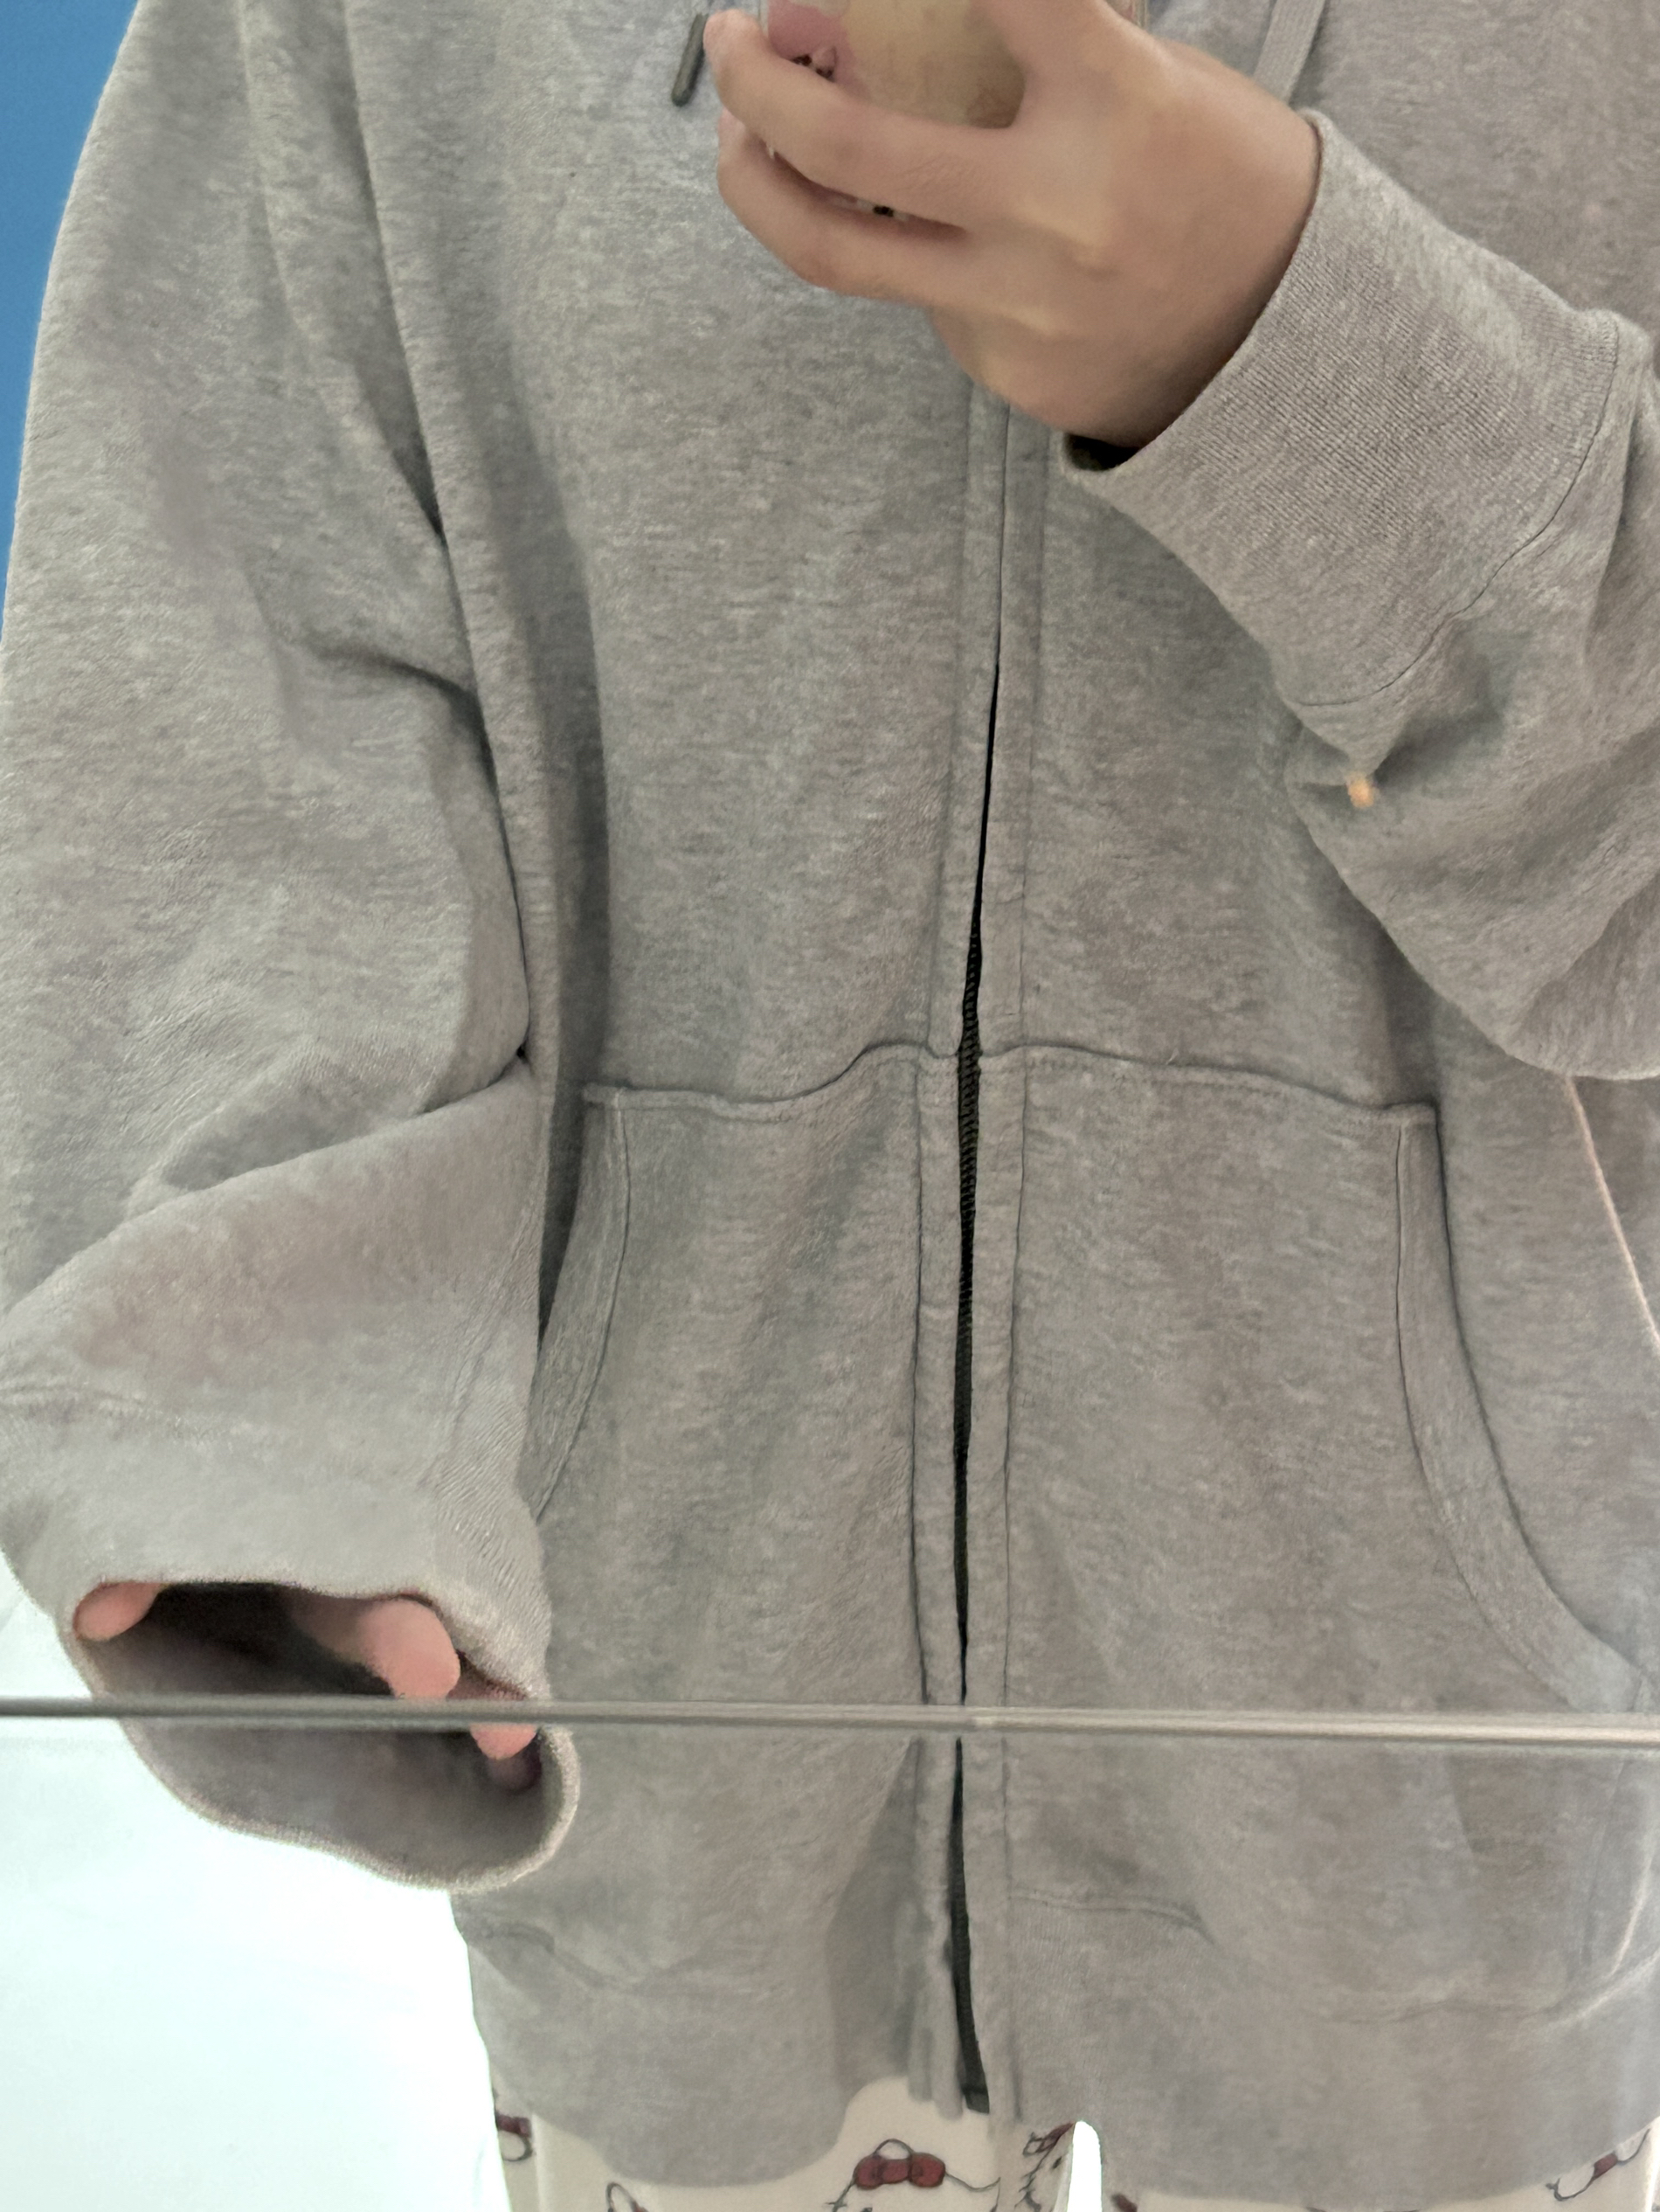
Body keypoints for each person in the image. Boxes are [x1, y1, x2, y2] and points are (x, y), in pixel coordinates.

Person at [2, 0, 1658, 2209]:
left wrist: (1282, 340)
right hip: (678, 1758)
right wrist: (282, 1386)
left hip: (1438, 1793)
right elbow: (250, 670)